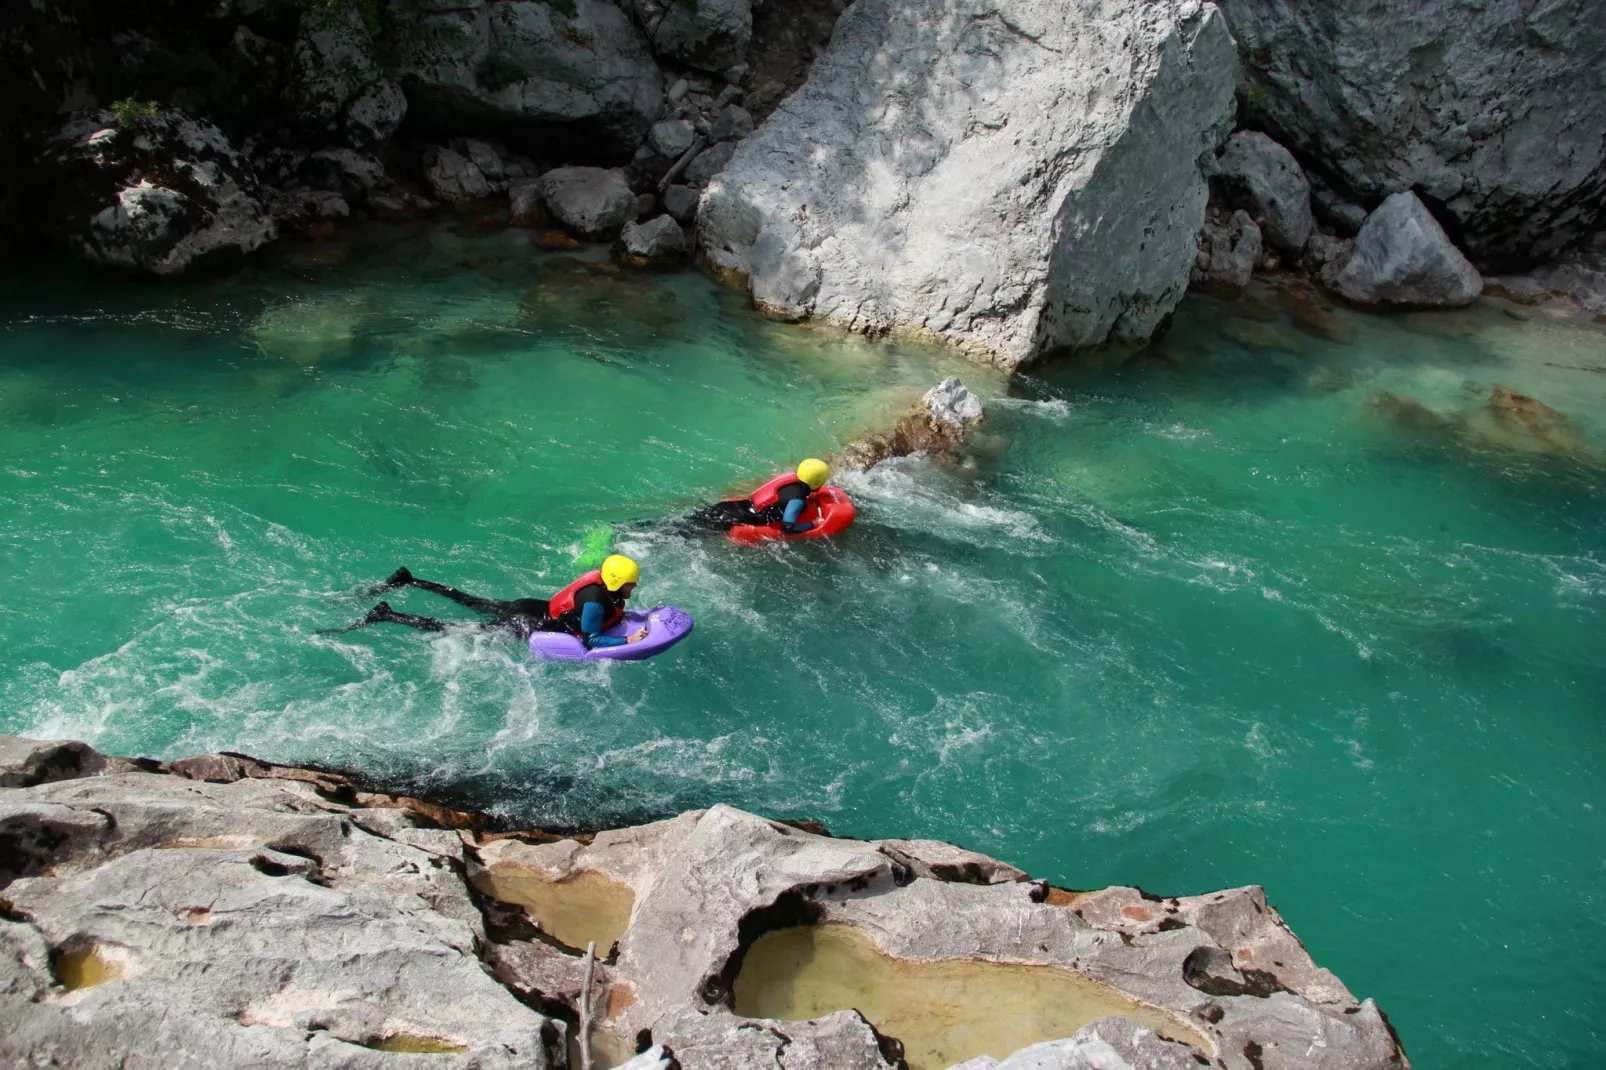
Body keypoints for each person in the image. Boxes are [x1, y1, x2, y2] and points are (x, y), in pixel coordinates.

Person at [331, 555, 646, 647]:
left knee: (471, 601)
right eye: (631, 584)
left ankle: (410, 580)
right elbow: (591, 638)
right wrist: (629, 640)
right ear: (617, 582)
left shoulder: (603, 582)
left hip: (531, 606)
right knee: (454, 628)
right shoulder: (593, 603)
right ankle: (388, 615)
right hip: (528, 621)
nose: (633, 588)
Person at [690, 458, 832, 534]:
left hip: (728, 508)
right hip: (733, 519)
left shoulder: (787, 479)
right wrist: (813, 524)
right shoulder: (797, 500)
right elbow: (787, 528)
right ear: (817, 482)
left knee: (684, 526)